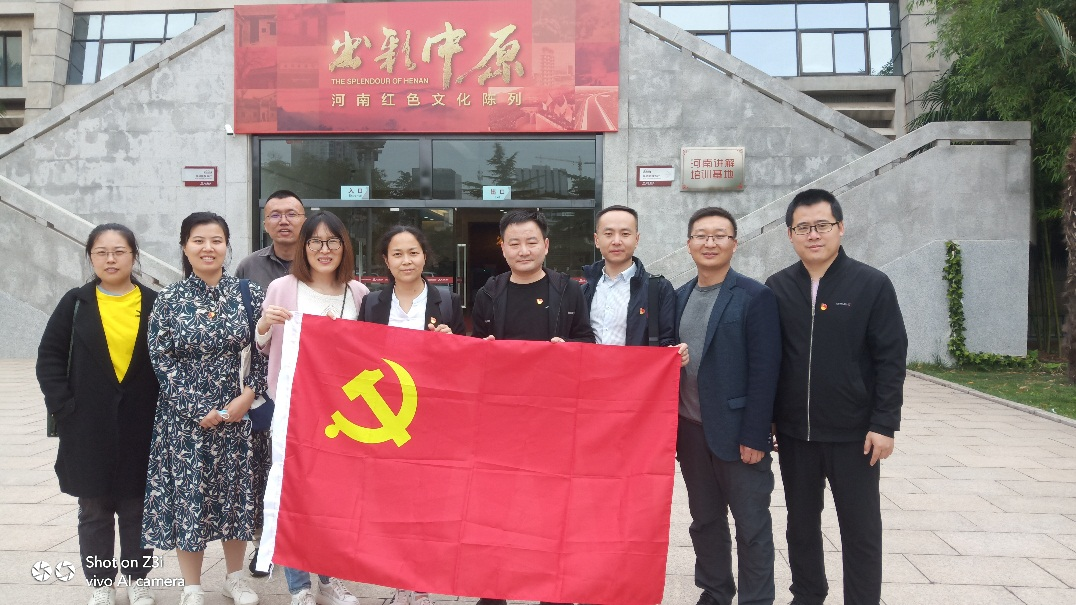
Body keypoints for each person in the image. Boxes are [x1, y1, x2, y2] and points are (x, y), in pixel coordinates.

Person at [765, 189, 908, 605]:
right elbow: (770, 359)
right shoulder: (777, 287)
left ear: (840, 228)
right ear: (790, 234)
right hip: (795, 435)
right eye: (803, 228)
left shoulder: (871, 284)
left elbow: (891, 359)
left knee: (860, 529)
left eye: (822, 225)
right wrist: (769, 418)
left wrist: (884, 423)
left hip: (854, 435)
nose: (813, 235)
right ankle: (807, 594)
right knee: (800, 525)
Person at [471, 209, 595, 605]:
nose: (523, 250)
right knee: (496, 506)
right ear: (503, 248)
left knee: (550, 507)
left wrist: (568, 350)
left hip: (553, 420)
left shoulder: (568, 290)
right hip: (501, 421)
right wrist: (483, 351)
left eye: (531, 242)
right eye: (514, 243)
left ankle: (552, 591)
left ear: (546, 245)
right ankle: (494, 591)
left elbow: (587, 342)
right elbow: (473, 355)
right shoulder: (489, 293)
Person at [142, 212, 268, 605]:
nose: (208, 248)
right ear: (184, 247)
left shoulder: (249, 294)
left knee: (235, 497)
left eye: (216, 240)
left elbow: (264, 350)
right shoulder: (169, 299)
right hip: (184, 421)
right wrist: (197, 408)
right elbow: (160, 358)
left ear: (228, 245)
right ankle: (192, 586)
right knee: (190, 498)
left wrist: (248, 395)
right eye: (198, 240)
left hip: (238, 414)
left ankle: (235, 579)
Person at [37, 224, 160, 605]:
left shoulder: (155, 303)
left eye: (119, 251)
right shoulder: (75, 303)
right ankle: (101, 584)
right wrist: (64, 407)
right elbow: (50, 357)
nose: (110, 259)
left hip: (142, 424)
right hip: (87, 425)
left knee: (137, 507)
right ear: (90, 256)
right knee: (93, 509)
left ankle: (137, 580)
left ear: (133, 256)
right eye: (101, 252)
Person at [257, 211, 367, 605]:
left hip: (343, 414)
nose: (324, 249)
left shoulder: (358, 293)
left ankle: (329, 579)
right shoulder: (283, 288)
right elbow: (262, 346)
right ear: (304, 247)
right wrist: (264, 324)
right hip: (293, 408)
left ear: (344, 246)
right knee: (293, 493)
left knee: (332, 499)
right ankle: (299, 587)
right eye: (315, 241)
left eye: (332, 241)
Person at [674, 208, 781, 605]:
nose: (710, 243)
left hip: (739, 434)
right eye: (701, 235)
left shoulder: (755, 296)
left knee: (751, 526)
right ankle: (715, 592)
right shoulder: (678, 297)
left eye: (720, 235)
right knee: (705, 521)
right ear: (689, 244)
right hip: (691, 431)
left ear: (735, 244)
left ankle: (756, 599)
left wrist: (757, 434)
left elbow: (766, 370)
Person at [357, 225, 465, 605]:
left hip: (432, 416)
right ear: (385, 261)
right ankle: (399, 578)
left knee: (426, 502)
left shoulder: (446, 301)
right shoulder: (372, 304)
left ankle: (421, 584)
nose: (407, 261)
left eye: (413, 252)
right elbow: (359, 356)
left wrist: (452, 343)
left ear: (425, 256)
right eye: (398, 254)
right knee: (393, 501)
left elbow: (464, 362)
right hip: (387, 414)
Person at [236, 189, 307, 578]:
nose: (284, 221)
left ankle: (305, 542)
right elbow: (240, 325)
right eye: (275, 214)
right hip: (263, 384)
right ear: (265, 223)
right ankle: (264, 543)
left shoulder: (320, 260)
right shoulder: (250, 266)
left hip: (311, 386)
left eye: (292, 213)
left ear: (304, 219)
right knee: (264, 465)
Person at [582, 204, 687, 359]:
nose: (616, 241)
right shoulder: (583, 291)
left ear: (636, 239)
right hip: (592, 372)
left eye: (625, 234)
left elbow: (666, 339)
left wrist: (675, 352)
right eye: (609, 234)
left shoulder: (658, 288)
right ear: (597, 240)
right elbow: (576, 338)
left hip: (637, 373)